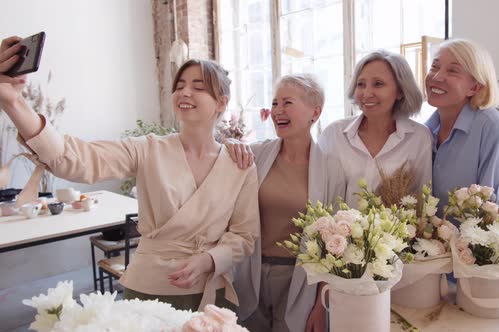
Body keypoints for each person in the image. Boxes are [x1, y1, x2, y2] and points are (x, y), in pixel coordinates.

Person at [0, 36, 260, 312]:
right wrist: (14, 103)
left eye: (198, 87)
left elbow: (245, 235)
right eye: (179, 86)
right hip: (150, 286)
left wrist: (210, 259)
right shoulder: (148, 149)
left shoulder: (239, 164)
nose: (184, 93)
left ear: (221, 102)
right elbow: (74, 159)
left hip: (210, 289)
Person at [423, 38, 499, 308]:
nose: (436, 77)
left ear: (475, 86)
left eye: (452, 71)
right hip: (439, 274)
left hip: (486, 273)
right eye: (434, 67)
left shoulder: (493, 127)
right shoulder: (425, 131)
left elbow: (498, 212)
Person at [228, 74, 345, 332]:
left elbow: (335, 245)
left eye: (287, 103)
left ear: (315, 111)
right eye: (274, 103)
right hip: (250, 272)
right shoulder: (256, 155)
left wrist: (320, 306)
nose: (277, 111)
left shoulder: (332, 170)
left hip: (299, 279)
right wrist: (230, 143)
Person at [317, 50, 432, 207]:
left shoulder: (419, 137)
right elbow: (318, 193)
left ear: (400, 91)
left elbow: (423, 200)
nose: (367, 93)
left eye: (378, 84)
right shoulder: (333, 134)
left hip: (396, 231)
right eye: (361, 84)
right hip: (335, 230)